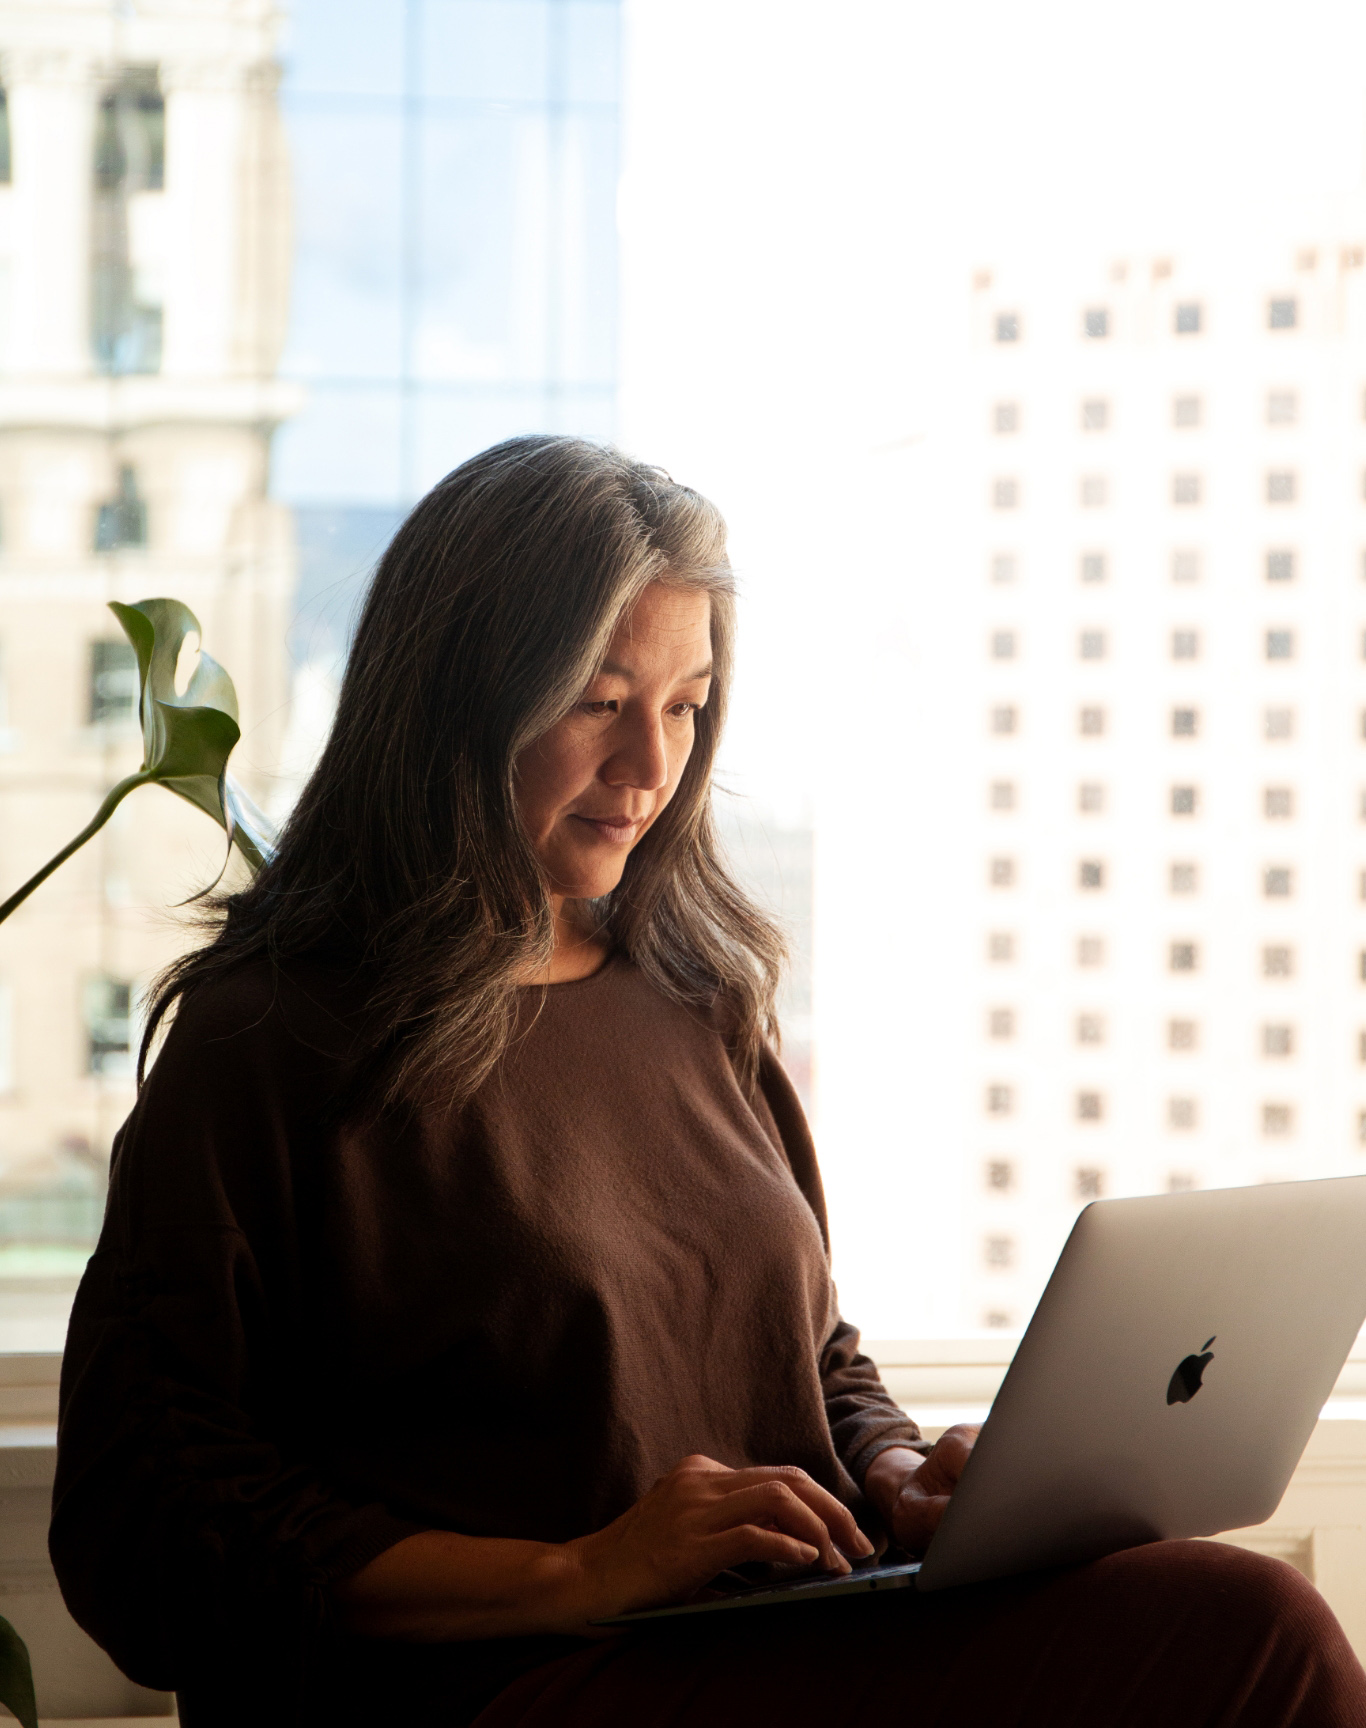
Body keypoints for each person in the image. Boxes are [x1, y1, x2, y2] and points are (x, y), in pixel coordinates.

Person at [51, 437, 1366, 1726]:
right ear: (456, 698)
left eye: (685, 706)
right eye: (597, 700)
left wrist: (898, 1472)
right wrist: (584, 1570)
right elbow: (151, 1518)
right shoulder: (271, 1041)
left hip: (780, 1633)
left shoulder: (693, 999)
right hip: (510, 1679)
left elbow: (811, 1357)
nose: (648, 770)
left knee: (1254, 1630)